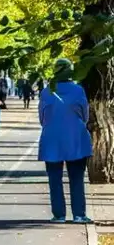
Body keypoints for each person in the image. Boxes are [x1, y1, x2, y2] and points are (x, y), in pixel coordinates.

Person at [38, 59, 93, 224]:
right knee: (76, 178)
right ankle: (79, 214)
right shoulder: (78, 90)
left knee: (54, 179)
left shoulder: (46, 91)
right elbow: (85, 115)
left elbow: (42, 118)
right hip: (76, 139)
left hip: (51, 140)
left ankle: (59, 215)